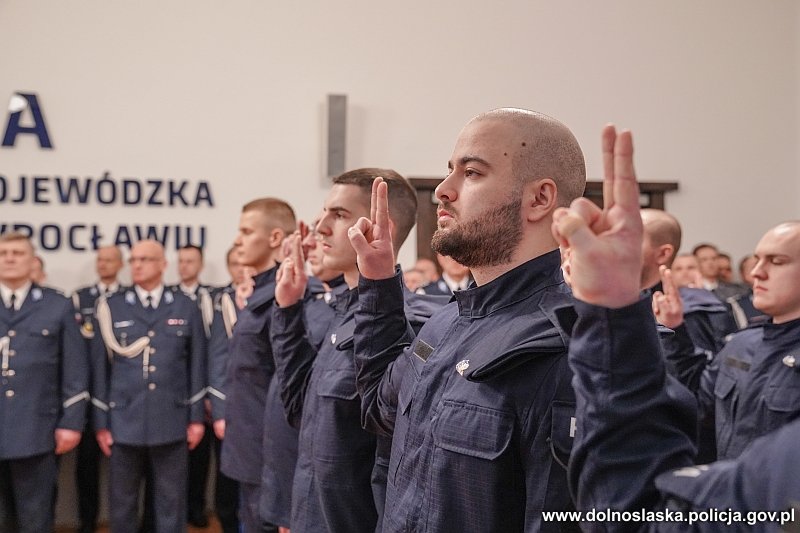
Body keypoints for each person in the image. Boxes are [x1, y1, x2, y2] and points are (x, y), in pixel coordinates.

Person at [348, 108, 586, 531]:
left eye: (472, 173)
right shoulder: (444, 324)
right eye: (449, 171)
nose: (443, 190)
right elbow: (378, 410)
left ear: (539, 199)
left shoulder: (568, 348)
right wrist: (379, 282)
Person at [556, 125, 800, 532]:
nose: (756, 271)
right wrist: (666, 331)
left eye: (776, 262)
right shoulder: (745, 342)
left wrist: (616, 321)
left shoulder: (711, 312)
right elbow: (698, 401)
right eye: (757, 259)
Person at [271, 168, 430, 533]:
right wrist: (288, 311)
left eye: (339, 215)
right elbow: (300, 410)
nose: (320, 227)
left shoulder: (408, 324)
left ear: (379, 228)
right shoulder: (341, 313)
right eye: (325, 212)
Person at [90, 239, 207, 533]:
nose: (137, 265)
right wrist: (101, 422)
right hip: (124, 419)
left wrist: (195, 419)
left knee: (172, 503)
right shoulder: (112, 306)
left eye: (145, 259)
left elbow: (196, 365)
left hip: (171, 418)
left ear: (163, 265)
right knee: (122, 504)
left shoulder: (185, 305)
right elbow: (100, 369)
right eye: (134, 260)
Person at [0, 232, 89, 533]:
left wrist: (72, 422)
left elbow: (75, 370)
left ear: (32, 260)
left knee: (35, 517)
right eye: (3, 253)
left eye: (17, 253)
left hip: (36, 430)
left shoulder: (57, 305)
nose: (9, 258)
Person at [219, 198, 295, 533]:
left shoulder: (285, 295)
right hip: (248, 447)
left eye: (247, 231)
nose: (238, 239)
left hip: (269, 453)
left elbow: (286, 384)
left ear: (275, 237)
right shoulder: (260, 292)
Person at [71, 245, 125, 533]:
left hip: (125, 392)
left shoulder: (128, 297)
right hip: (90, 394)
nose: (103, 264)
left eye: (109, 260)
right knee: (87, 465)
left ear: (120, 264)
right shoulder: (82, 297)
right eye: (100, 260)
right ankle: (87, 521)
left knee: (129, 465)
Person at [171, 244, 214, 528]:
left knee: (201, 455)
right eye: (181, 261)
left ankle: (195, 508)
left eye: (190, 261)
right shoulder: (168, 297)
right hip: (174, 385)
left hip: (205, 382)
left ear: (199, 265)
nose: (185, 266)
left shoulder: (212, 296)